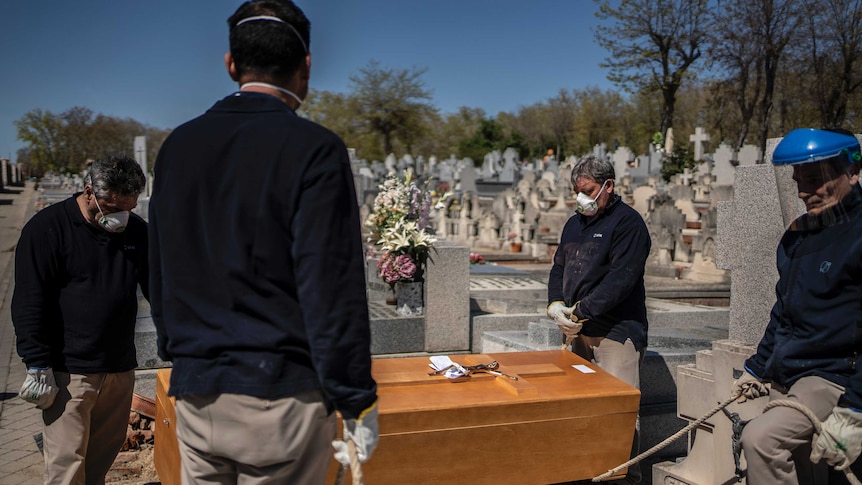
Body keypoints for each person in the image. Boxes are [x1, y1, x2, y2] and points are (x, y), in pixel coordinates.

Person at [148, 1, 378, 483]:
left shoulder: (177, 147)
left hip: (198, 393)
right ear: (306, 66)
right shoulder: (314, 149)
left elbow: (161, 267)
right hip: (280, 394)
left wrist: (181, 353)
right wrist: (354, 395)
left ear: (230, 64)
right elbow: (329, 286)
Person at [731, 128, 862, 484]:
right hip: (790, 375)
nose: (804, 191)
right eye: (797, 181)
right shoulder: (799, 234)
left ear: (852, 170)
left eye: (815, 179)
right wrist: (758, 367)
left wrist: (854, 410)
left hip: (835, 375)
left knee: (760, 441)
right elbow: (784, 310)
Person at [12, 155, 148, 485]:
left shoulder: (137, 232)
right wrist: (37, 362)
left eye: (128, 208)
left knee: (101, 458)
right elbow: (30, 300)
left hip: (118, 366)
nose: (120, 217)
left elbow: (159, 288)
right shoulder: (46, 229)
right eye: (112, 207)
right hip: (67, 371)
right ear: (89, 191)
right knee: (67, 463)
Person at [547, 154, 650, 484]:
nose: (580, 198)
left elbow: (620, 280)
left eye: (587, 190)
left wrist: (578, 312)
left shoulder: (628, 224)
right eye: (575, 190)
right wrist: (555, 304)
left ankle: (625, 477)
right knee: (579, 410)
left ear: (608, 186)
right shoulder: (574, 223)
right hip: (577, 331)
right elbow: (559, 266)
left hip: (616, 332)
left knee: (619, 414)